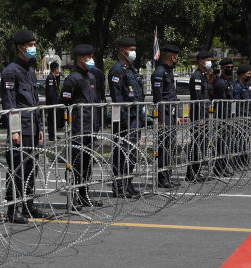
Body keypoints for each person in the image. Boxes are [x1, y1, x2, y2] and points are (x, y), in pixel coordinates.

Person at [0, 29, 47, 222]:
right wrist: (15, 130)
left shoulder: (29, 70)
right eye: (30, 46)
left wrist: (41, 127)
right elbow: (10, 103)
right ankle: (13, 209)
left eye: (34, 45)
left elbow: (35, 101)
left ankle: (28, 205)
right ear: (20, 47)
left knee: (31, 169)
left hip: (33, 127)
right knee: (17, 168)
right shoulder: (11, 71)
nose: (33, 49)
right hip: (21, 128)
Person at [60, 43, 103, 210]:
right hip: (77, 128)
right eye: (89, 57)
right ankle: (74, 196)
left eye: (92, 56)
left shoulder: (91, 77)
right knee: (76, 164)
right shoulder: (72, 79)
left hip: (90, 126)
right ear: (80, 59)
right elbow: (64, 103)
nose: (91, 60)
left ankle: (84, 195)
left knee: (87, 164)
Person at [108, 37, 143, 198]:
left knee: (132, 153)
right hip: (124, 118)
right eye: (131, 49)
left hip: (136, 116)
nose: (134, 52)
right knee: (121, 153)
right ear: (123, 51)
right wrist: (123, 119)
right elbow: (117, 97)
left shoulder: (131, 70)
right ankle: (118, 185)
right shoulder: (117, 70)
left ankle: (128, 182)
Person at [151, 42, 180, 188]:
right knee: (164, 146)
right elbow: (158, 98)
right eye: (176, 57)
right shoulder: (159, 72)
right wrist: (161, 119)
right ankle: (162, 177)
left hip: (172, 114)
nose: (177, 60)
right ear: (172, 57)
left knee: (171, 146)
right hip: (165, 115)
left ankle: (167, 175)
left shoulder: (168, 71)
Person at [186, 50, 213, 182]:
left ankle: (196, 172)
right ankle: (191, 173)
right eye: (208, 59)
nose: (210, 62)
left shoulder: (203, 76)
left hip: (204, 115)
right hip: (198, 116)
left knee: (202, 145)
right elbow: (198, 99)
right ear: (201, 61)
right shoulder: (197, 76)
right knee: (196, 145)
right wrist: (201, 117)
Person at [212, 58, 236, 177]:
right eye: (227, 67)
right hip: (222, 117)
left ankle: (224, 165)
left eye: (231, 67)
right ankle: (218, 167)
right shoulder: (220, 83)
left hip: (229, 116)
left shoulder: (230, 82)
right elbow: (220, 103)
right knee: (221, 143)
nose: (230, 69)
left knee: (226, 143)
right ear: (222, 68)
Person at [44, 61, 64, 140]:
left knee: (55, 119)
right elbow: (51, 92)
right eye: (58, 68)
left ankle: (54, 134)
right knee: (52, 119)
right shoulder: (50, 78)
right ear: (55, 69)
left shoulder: (54, 77)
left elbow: (57, 87)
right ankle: (51, 135)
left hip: (56, 102)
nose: (58, 70)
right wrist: (53, 103)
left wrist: (58, 76)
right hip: (52, 103)